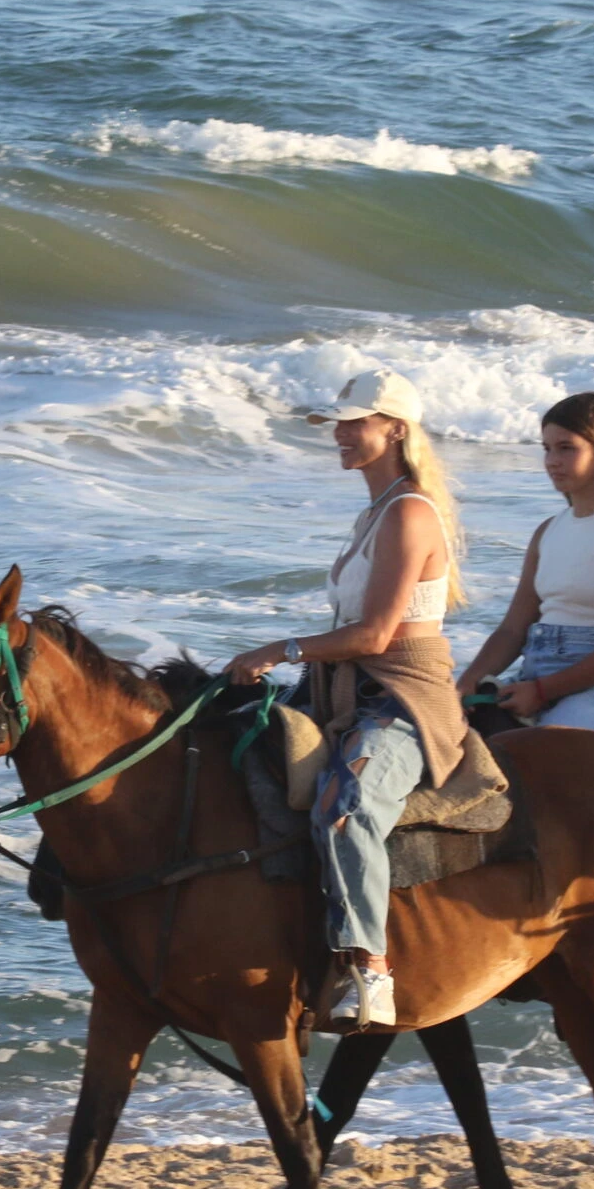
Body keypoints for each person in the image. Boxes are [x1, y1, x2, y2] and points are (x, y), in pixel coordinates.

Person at [224, 368, 468, 1033]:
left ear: (394, 429)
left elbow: (377, 633)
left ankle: (371, 971)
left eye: (354, 421)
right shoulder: (375, 511)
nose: (340, 432)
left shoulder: (411, 511)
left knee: (345, 803)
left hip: (401, 697)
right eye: (338, 420)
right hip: (346, 689)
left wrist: (280, 648)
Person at [457, 391, 594, 735]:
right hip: (536, 671)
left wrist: (545, 691)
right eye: (547, 448)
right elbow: (512, 630)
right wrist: (467, 683)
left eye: (567, 448)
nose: (552, 460)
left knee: (554, 756)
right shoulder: (547, 531)